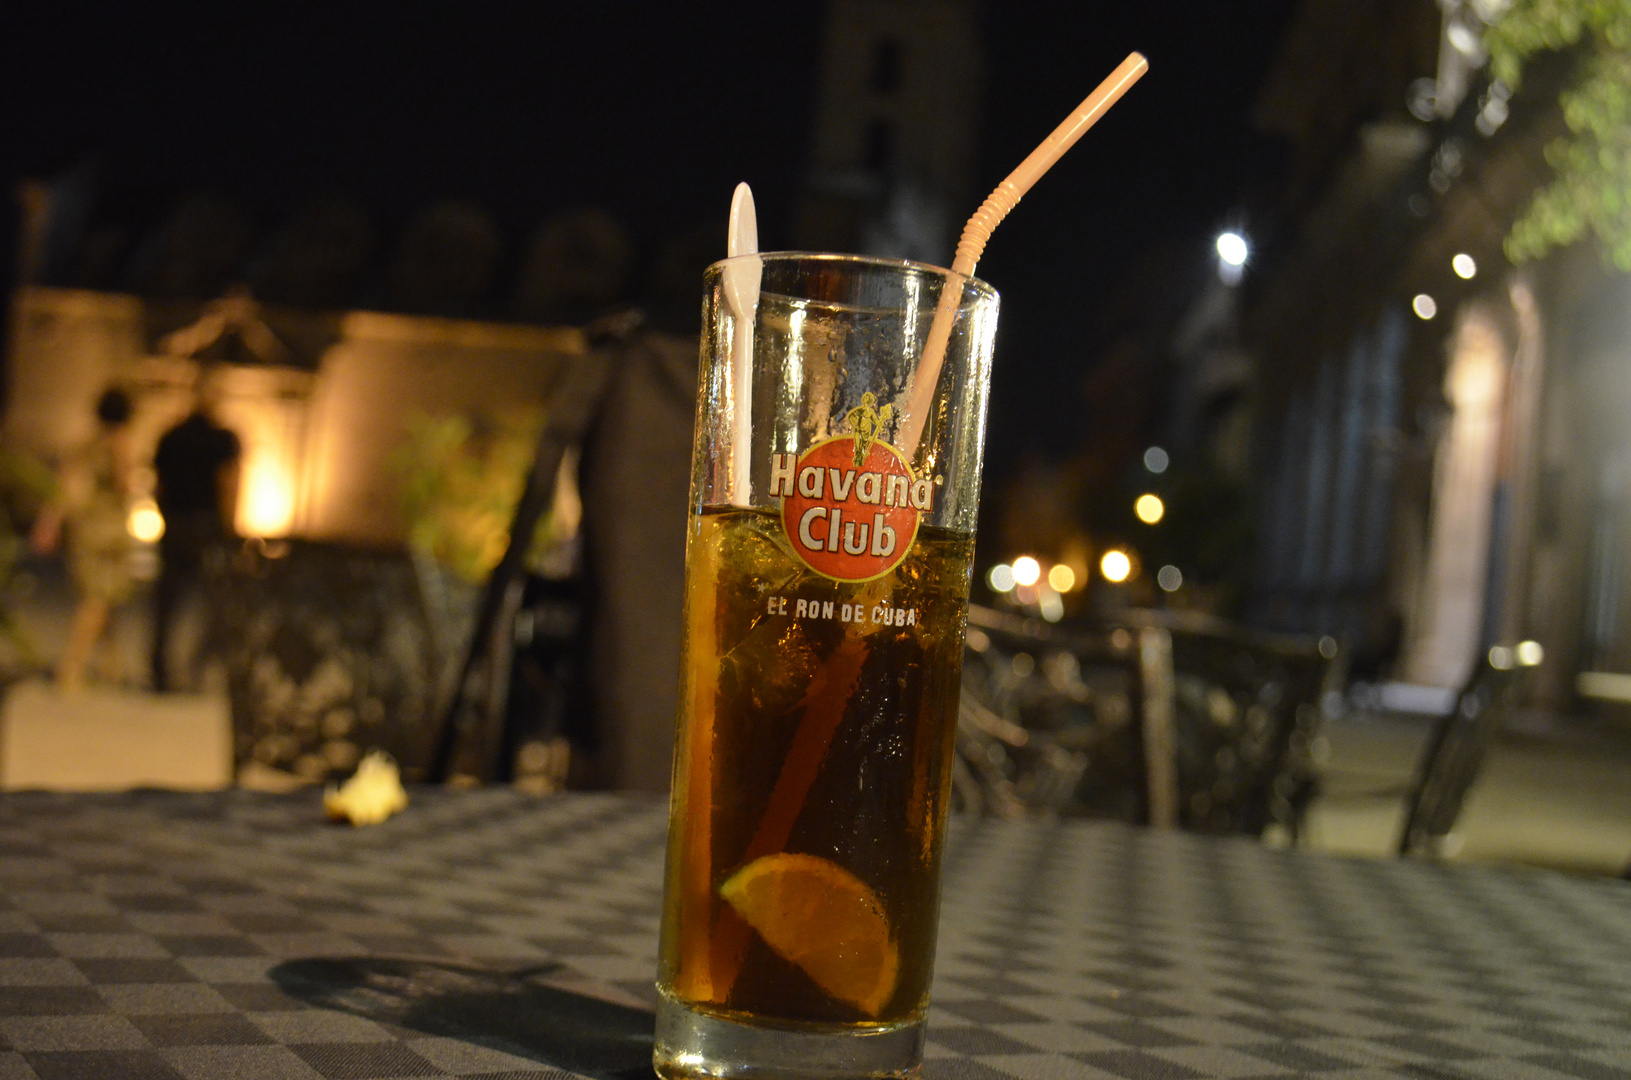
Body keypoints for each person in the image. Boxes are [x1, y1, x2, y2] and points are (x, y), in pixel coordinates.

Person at [31, 388, 137, 690]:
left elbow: (65, 488)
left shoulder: (85, 446)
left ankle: (110, 665)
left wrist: (49, 522)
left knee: (104, 597)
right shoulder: (120, 445)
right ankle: (72, 666)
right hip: (109, 532)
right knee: (99, 598)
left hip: (85, 529)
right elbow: (124, 486)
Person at [151, 372, 241, 692]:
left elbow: (157, 485)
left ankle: (160, 669)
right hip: (205, 526)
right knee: (214, 603)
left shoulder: (171, 436)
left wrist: (164, 517)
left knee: (167, 603)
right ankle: (196, 667)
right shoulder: (222, 439)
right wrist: (230, 528)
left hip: (175, 524)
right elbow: (227, 484)